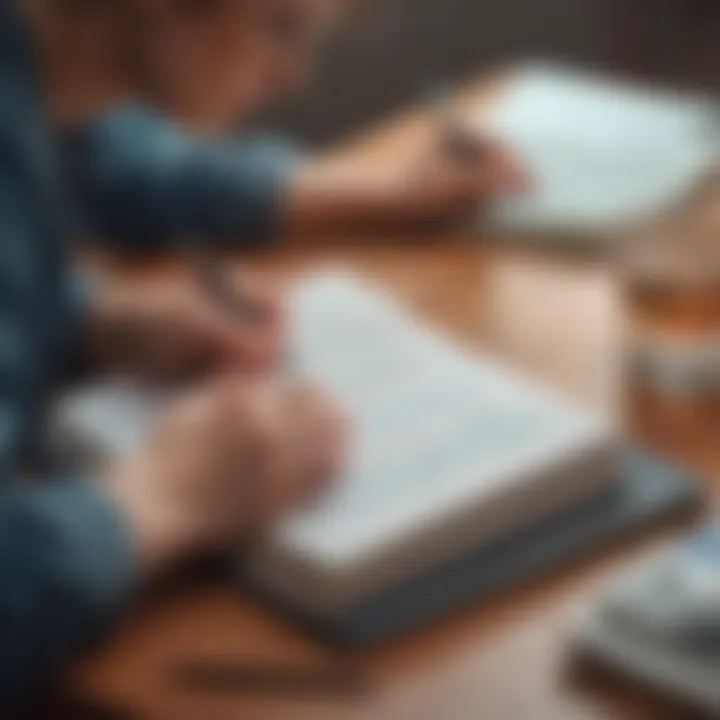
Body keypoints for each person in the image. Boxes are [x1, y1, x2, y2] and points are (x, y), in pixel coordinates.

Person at [0, 0, 521, 709]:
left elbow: (116, 168)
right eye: (281, 29)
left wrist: (90, 322)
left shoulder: (47, 68)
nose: (298, 74)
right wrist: (159, 499)